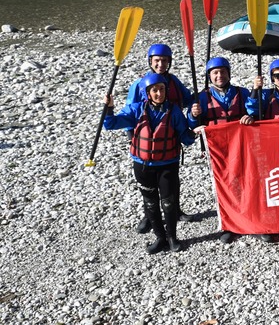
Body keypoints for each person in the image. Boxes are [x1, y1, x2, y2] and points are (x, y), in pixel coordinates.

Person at [103, 73, 195, 254]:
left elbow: (185, 136)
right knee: (150, 203)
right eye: (154, 90)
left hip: (168, 164)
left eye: (162, 89)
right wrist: (109, 109)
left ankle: (172, 238)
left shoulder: (174, 111)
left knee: (168, 202)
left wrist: (195, 131)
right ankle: (160, 238)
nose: (159, 93)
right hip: (143, 165)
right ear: (147, 93)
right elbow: (111, 124)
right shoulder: (136, 110)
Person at [127, 43, 198, 234]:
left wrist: (194, 107)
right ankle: (150, 216)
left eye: (165, 60)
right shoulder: (140, 83)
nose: (161, 64)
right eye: (157, 60)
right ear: (150, 61)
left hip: (171, 133)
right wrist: (130, 136)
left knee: (171, 181)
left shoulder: (173, 82)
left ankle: (175, 211)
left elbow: (189, 99)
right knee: (148, 185)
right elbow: (129, 112)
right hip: (147, 139)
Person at [188, 57, 253, 245]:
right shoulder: (201, 97)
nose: (219, 76)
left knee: (245, 184)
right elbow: (191, 124)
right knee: (223, 187)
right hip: (218, 151)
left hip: (241, 148)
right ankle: (229, 225)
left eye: (223, 72)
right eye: (215, 73)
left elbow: (255, 111)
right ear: (209, 76)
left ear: (228, 73)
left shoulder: (242, 93)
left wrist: (251, 116)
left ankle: (250, 221)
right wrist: (194, 116)